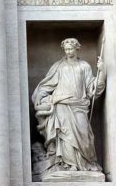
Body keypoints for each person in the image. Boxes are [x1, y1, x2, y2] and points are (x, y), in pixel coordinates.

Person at [31, 38, 105, 177]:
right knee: (65, 135)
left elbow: (92, 90)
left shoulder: (84, 66)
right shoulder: (58, 66)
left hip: (79, 105)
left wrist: (101, 73)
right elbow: (47, 85)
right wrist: (41, 97)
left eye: (71, 49)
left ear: (77, 49)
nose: (68, 51)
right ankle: (68, 165)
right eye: (66, 49)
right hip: (61, 105)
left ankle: (84, 164)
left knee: (84, 135)